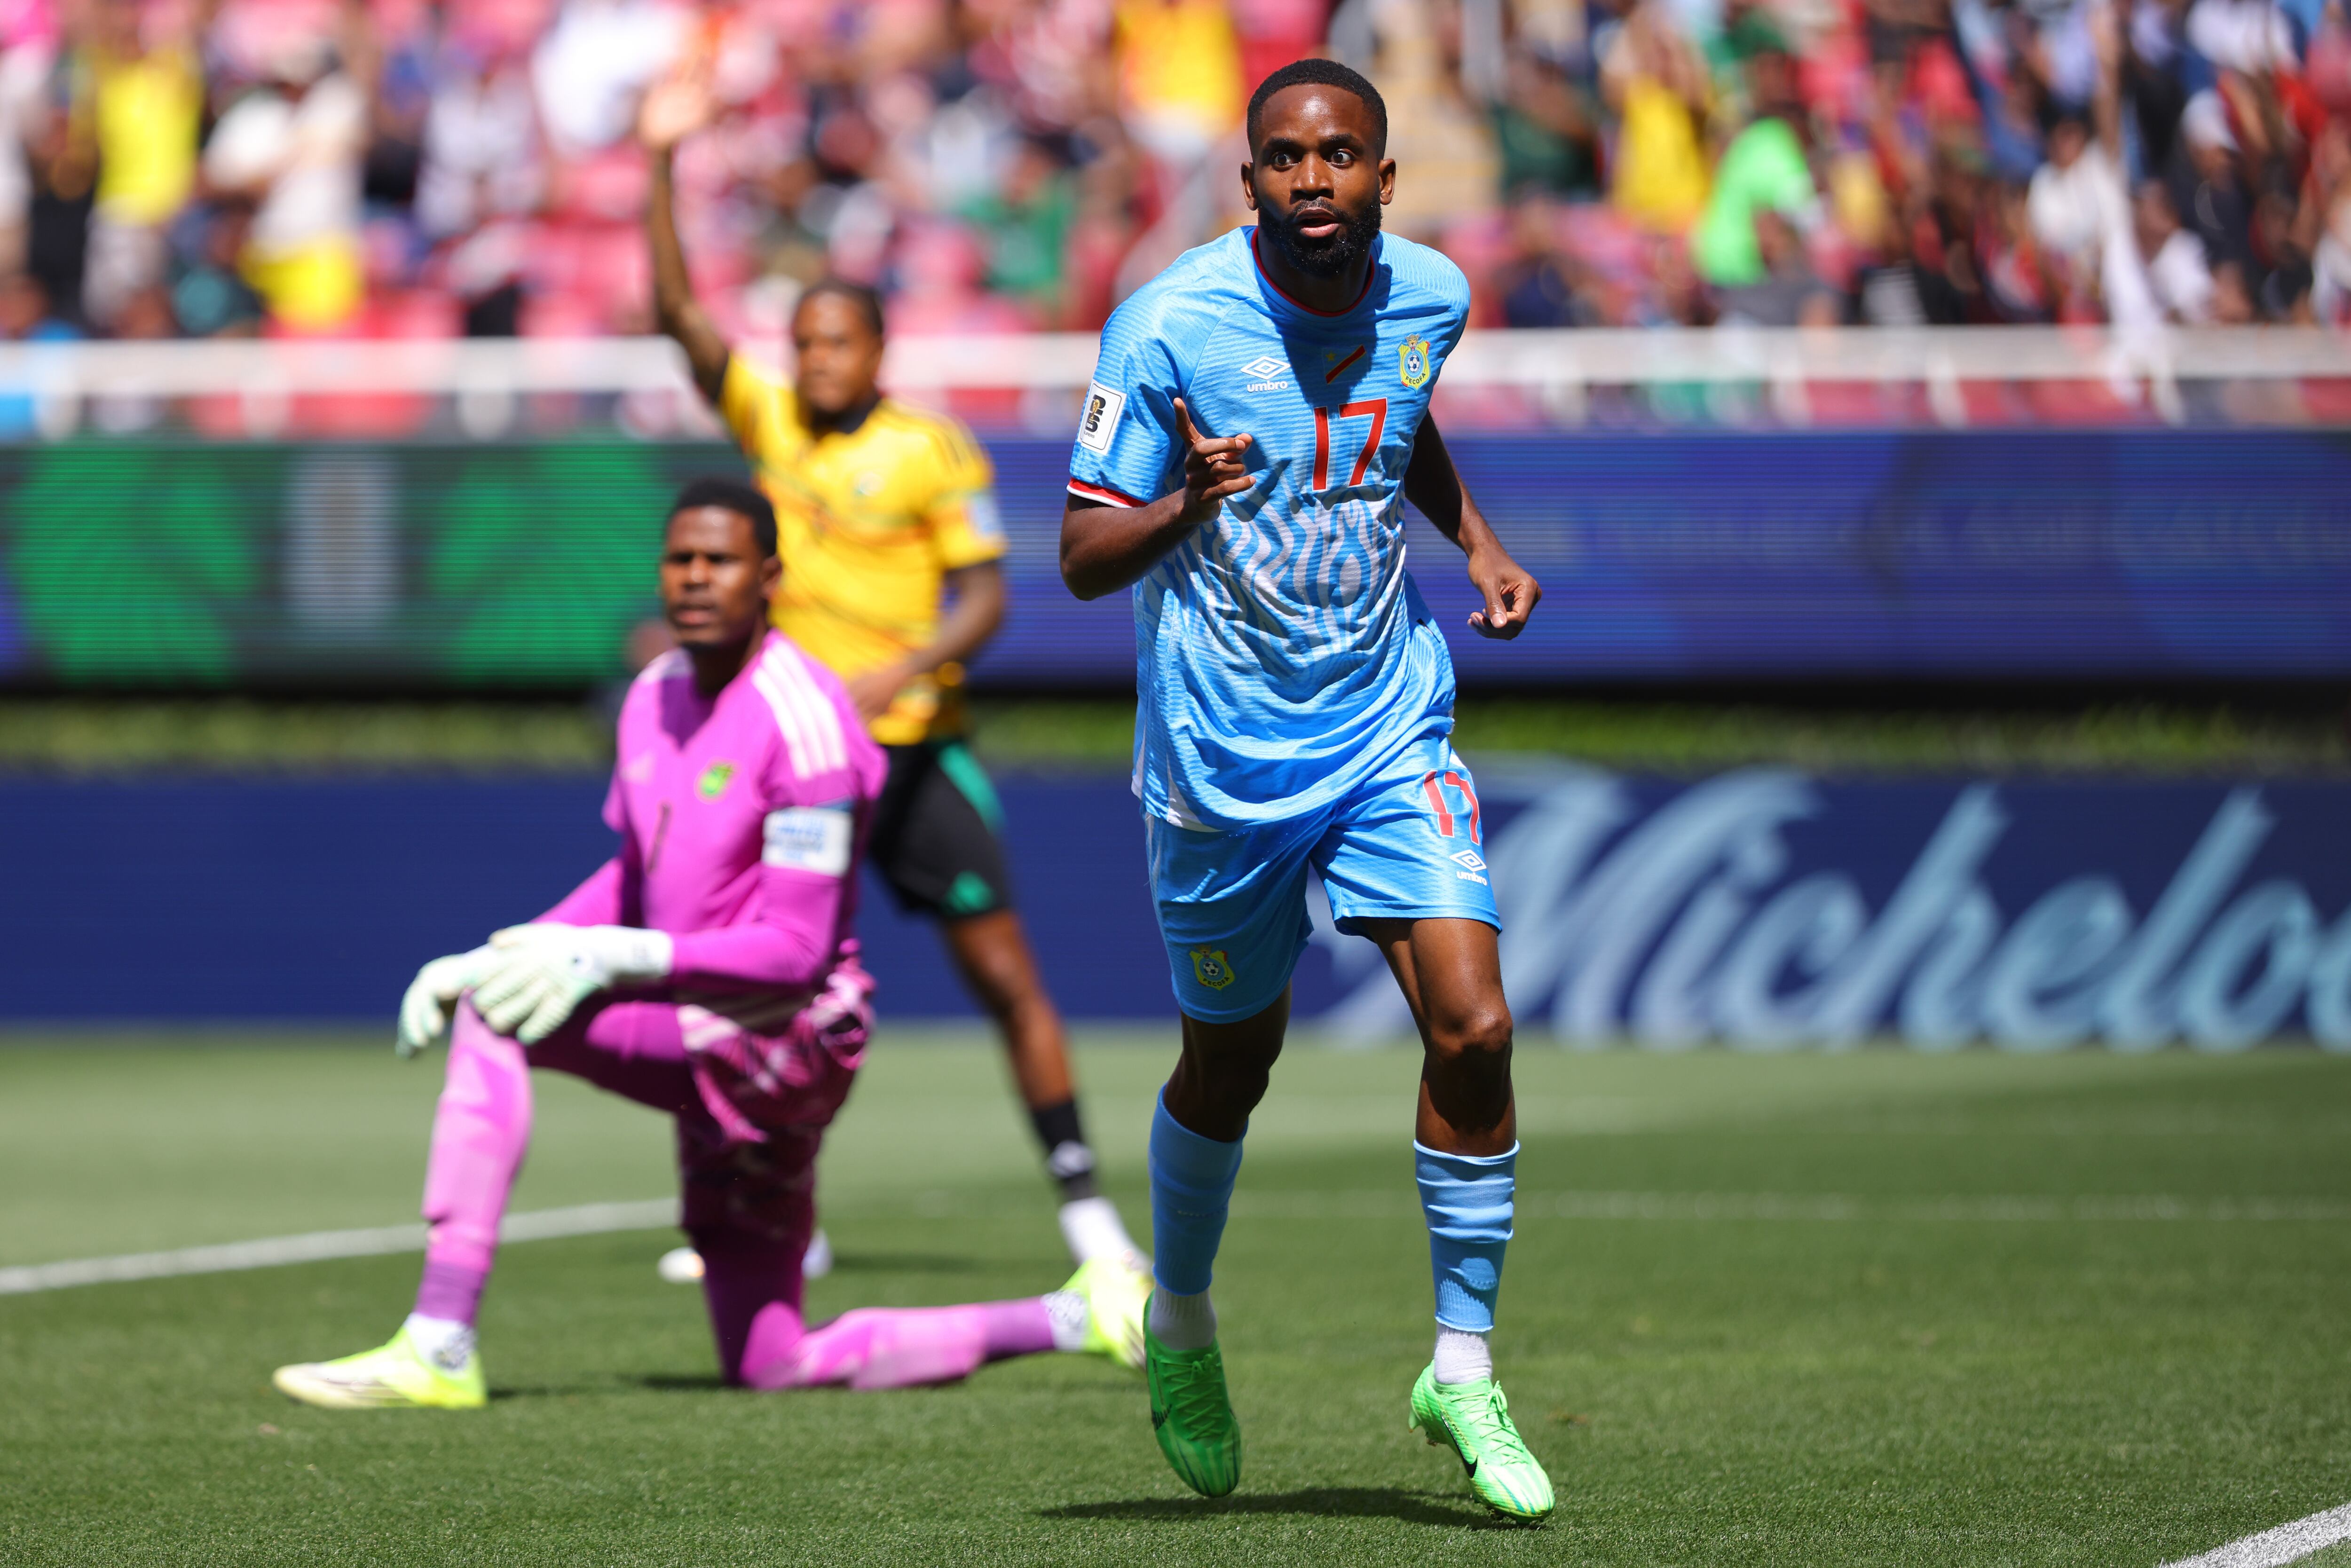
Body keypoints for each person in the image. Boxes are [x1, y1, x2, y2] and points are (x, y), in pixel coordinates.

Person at [271, 479, 1145, 1410]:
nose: (694, 579)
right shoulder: (651, 695)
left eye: (718, 561)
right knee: (772, 1361)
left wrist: (609, 961)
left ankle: (440, 1341)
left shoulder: (805, 721)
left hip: (784, 1041)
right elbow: (633, 877)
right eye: (679, 559)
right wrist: (507, 948)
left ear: (769, 576)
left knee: (497, 1019)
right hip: (705, 1026)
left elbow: (793, 954)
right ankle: (1075, 1317)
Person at [1058, 58, 1555, 1522]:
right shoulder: (1167, 328)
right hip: (1221, 767)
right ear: (1253, 182)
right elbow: (1084, 561)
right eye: (1288, 158)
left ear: (1385, 181)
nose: (1316, 179)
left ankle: (1462, 1365)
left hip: (1389, 724)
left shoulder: (1434, 298)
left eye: (1343, 155)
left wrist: (1477, 543)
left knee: (1474, 1026)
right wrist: (1185, 503)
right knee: (1235, 1065)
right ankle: (1185, 1317)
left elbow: (1400, 423)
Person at [639, 67, 1144, 1279]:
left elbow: (986, 599)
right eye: (803, 339)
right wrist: (658, 165)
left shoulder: (931, 451)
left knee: (1004, 975)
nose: (815, 359)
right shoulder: (769, 424)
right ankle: (775, 1219)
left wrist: (896, 674)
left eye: (838, 339)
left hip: (914, 752)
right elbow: (675, 315)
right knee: (770, 986)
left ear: (879, 347)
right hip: (801, 774)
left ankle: (1087, 1216)